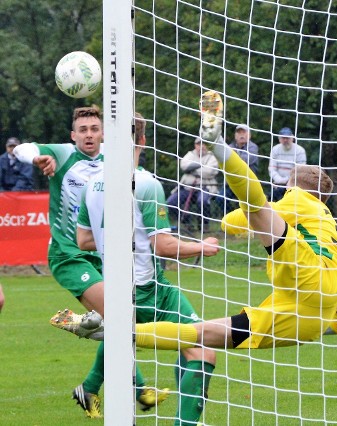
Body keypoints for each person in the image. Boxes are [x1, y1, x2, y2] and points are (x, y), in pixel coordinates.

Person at [55, 90, 337, 362]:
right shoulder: (329, 225)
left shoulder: (300, 198)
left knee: (257, 206)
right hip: (305, 315)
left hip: (306, 270)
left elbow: (236, 219)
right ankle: (114, 333)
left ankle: (216, 144)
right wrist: (333, 325)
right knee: (201, 333)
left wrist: (233, 221)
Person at [52, 113, 219, 425]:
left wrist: (117, 243)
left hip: (120, 287)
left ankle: (90, 378)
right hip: (150, 290)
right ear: (142, 140)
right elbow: (163, 246)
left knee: (129, 338)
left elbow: (84, 240)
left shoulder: (92, 184)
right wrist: (202, 247)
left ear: (108, 139)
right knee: (203, 348)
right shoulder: (145, 183)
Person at [13, 107, 166, 418]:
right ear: (73, 135)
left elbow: (134, 164)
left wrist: (137, 130)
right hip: (70, 254)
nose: (89, 135)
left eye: (94, 129)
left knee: (124, 322)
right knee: (122, 318)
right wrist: (37, 159)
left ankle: (91, 382)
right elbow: (20, 148)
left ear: (103, 133)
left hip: (103, 255)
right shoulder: (63, 153)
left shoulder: (113, 156)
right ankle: (139, 391)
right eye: (82, 129)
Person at [166, 137, 219, 230]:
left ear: (207, 145)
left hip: (205, 187)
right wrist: (201, 166)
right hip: (186, 187)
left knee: (202, 201)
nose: (201, 146)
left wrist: (192, 170)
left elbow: (210, 171)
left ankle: (203, 225)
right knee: (170, 202)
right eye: (199, 144)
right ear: (195, 145)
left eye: (203, 144)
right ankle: (187, 223)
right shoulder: (190, 154)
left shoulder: (212, 156)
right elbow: (184, 166)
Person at [215, 124, 260, 214]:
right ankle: (233, 215)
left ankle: (245, 220)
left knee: (250, 205)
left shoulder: (253, 147)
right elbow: (224, 161)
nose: (241, 135)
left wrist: (231, 158)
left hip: (248, 183)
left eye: (244, 132)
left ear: (249, 135)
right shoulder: (229, 147)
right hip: (231, 184)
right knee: (220, 198)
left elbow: (245, 160)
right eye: (239, 133)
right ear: (235, 136)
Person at [268, 127, 307, 202]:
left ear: (292, 138)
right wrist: (279, 181)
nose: (285, 140)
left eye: (287, 138)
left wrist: (287, 182)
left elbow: (300, 171)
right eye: (283, 138)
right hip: (277, 184)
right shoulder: (275, 149)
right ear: (279, 139)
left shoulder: (300, 150)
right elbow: (272, 169)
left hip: (294, 184)